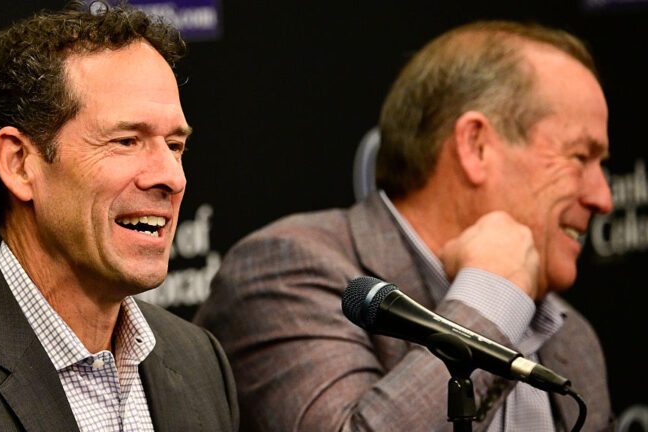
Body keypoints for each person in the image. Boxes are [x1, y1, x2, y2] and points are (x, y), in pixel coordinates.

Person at [195, 20, 614, 431]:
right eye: (580, 157)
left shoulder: (571, 340)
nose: (603, 198)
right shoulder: (287, 273)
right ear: (476, 146)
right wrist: (492, 296)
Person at [0, 3, 238, 431]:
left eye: (175, 146)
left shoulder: (201, 361)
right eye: (126, 141)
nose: (172, 177)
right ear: (19, 164)